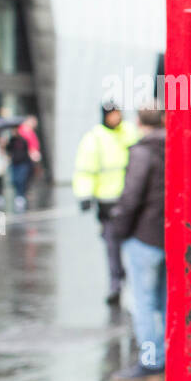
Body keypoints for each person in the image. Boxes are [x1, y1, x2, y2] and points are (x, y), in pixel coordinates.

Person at [110, 105, 167, 381]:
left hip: (144, 237)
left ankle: (151, 361)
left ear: (138, 122)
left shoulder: (142, 152)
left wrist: (117, 230)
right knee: (167, 301)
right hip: (169, 236)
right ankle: (170, 356)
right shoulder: (176, 148)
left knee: (143, 303)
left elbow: (131, 197)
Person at [73, 102, 139, 305]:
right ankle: (116, 282)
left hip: (132, 199)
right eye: (112, 114)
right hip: (107, 202)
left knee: (135, 245)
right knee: (112, 245)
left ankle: (132, 285)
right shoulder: (94, 138)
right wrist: (85, 195)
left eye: (118, 113)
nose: (115, 118)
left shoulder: (130, 132)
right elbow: (85, 169)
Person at [4, 127, 33, 211]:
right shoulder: (11, 141)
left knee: (22, 179)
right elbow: (8, 150)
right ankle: (18, 194)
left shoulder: (23, 140)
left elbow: (27, 150)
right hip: (15, 163)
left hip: (23, 163)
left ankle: (21, 195)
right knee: (15, 180)